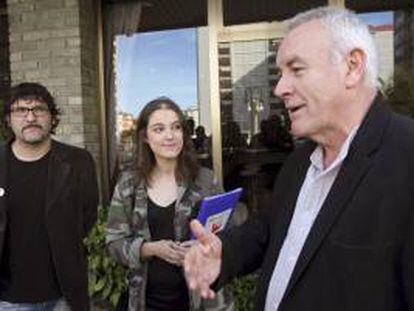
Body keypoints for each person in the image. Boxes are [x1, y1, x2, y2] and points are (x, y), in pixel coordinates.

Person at [184, 6, 414, 311]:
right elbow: (269, 230)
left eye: (296, 69)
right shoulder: (301, 160)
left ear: (352, 67)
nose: (280, 88)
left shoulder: (406, 156)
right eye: (280, 73)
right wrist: (224, 253)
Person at [105, 97, 232, 311]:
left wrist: (203, 246)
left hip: (202, 301)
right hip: (146, 302)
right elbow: (113, 243)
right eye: (159, 129)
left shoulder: (206, 180)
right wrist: (150, 249)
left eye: (176, 127)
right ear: (145, 137)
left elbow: (228, 236)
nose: (170, 136)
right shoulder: (129, 184)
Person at [0, 82, 99, 310]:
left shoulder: (78, 162)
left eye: (39, 109)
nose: (31, 117)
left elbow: (88, 217)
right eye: (21, 110)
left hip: (63, 295)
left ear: (52, 118)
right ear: (9, 119)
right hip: (7, 298)